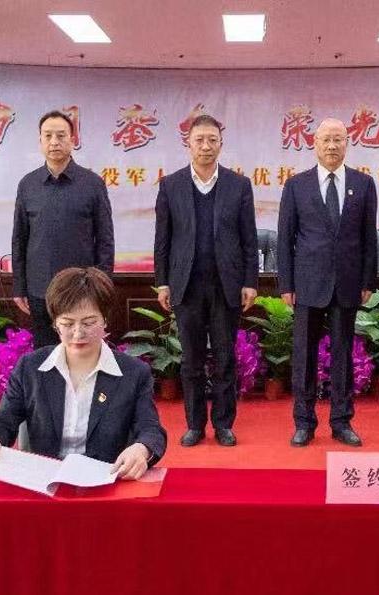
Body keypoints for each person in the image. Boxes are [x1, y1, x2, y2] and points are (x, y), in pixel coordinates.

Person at [0, 267, 167, 479]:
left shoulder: (133, 373)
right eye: (67, 323)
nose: (78, 333)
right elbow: (2, 421)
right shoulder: (30, 368)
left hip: (105, 479)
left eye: (89, 323)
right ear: (55, 323)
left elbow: (150, 429)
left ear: (105, 319)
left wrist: (141, 448)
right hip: (43, 480)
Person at [154, 114, 258, 447]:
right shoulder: (171, 185)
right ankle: (195, 425)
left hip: (227, 285)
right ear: (188, 143)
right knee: (191, 361)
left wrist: (250, 281)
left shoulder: (238, 185)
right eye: (199, 139)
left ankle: (224, 424)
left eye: (212, 140)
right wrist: (163, 282)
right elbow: (163, 240)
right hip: (186, 286)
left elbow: (249, 239)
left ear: (221, 144)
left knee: (225, 358)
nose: (205, 146)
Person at [277, 118, 377, 447]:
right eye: (326, 140)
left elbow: (368, 237)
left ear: (347, 143)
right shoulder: (297, 185)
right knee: (304, 356)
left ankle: (341, 421)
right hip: (307, 283)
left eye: (338, 139)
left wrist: (367, 280)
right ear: (315, 144)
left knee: (343, 355)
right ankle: (304, 422)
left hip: (347, 283)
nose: (332, 146)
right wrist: (286, 284)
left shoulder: (363, 184)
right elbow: (285, 238)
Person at [12, 110, 114, 349]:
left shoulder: (92, 183)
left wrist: (102, 286)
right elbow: (19, 239)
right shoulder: (28, 184)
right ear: (40, 141)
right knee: (46, 353)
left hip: (82, 291)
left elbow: (105, 240)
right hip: (40, 289)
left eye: (61, 135)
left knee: (82, 351)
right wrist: (19, 286)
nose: (54, 142)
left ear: (73, 140)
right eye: (48, 136)